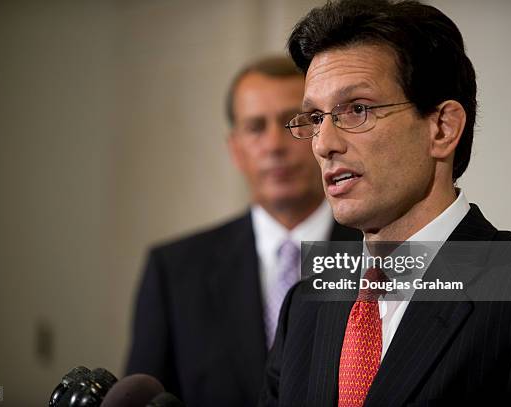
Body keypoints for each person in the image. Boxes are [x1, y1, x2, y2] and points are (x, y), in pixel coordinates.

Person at [259, 1, 511, 406]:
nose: (324, 144)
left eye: (357, 109)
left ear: (442, 128)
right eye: (314, 118)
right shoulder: (306, 304)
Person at [125, 56, 361, 406]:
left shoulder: (381, 253)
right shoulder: (174, 271)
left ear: (320, 134)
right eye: (254, 127)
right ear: (235, 150)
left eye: (290, 123)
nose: (273, 146)